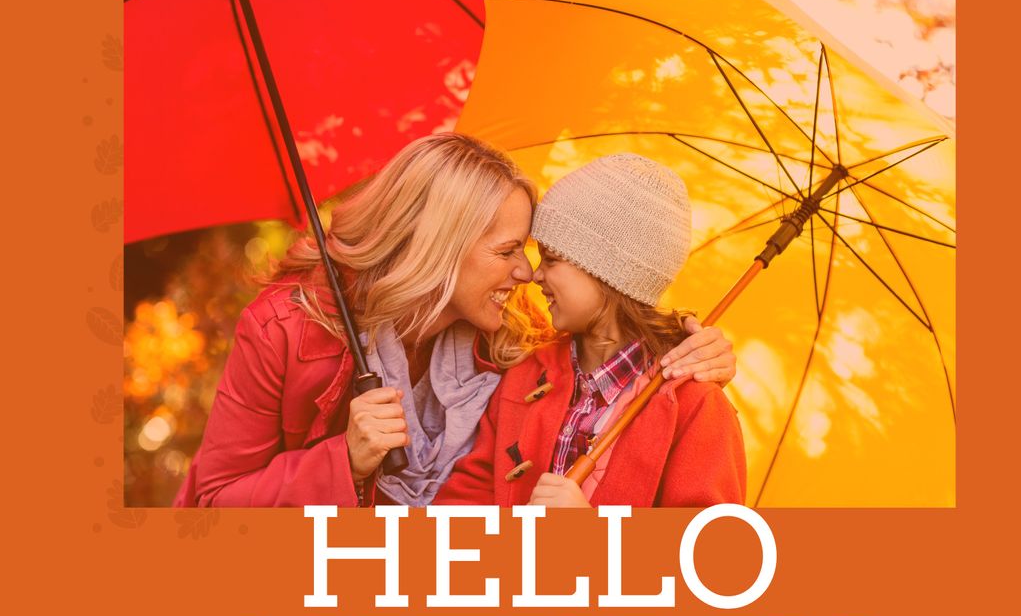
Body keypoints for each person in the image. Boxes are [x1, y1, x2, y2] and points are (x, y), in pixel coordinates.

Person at [174, 134, 735, 508]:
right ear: (442, 248)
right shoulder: (286, 330)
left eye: (543, 256)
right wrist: (342, 459)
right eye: (510, 250)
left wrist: (690, 341)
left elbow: (615, 340)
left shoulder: (510, 338)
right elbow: (211, 504)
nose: (526, 273)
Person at [435, 154, 746, 508]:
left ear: (607, 274)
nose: (535, 275)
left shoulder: (696, 407)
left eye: (552, 260)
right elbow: (469, 493)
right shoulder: (527, 372)